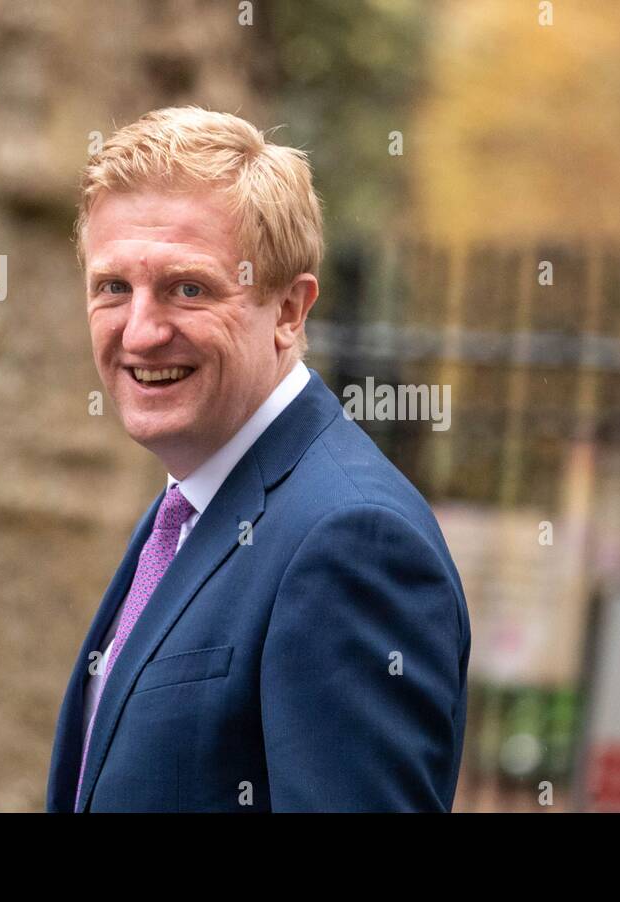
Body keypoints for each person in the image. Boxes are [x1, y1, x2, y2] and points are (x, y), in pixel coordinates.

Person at [46, 107, 471, 812]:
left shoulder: (353, 542)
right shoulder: (188, 508)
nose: (141, 332)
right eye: (113, 288)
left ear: (289, 311)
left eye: (189, 288)